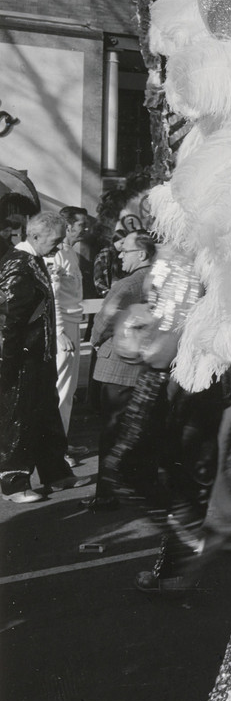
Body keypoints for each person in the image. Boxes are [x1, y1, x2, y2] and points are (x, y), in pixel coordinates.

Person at [0, 211, 78, 502]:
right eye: (55, 241)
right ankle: (14, 482)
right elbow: (9, 320)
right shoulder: (19, 265)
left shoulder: (31, 261)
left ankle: (54, 471)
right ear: (35, 237)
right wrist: (8, 365)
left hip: (37, 355)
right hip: (21, 358)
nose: (59, 247)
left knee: (45, 413)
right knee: (19, 418)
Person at [84, 229, 158, 510]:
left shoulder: (128, 284)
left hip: (118, 367)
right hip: (147, 365)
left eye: (125, 250)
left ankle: (107, 494)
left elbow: (103, 321)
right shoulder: (161, 279)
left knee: (112, 432)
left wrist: (95, 341)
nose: (119, 254)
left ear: (141, 254)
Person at [49, 205, 87, 439]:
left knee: (68, 389)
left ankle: (61, 443)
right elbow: (53, 295)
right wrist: (60, 331)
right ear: (69, 226)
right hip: (63, 329)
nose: (85, 229)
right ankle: (57, 451)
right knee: (61, 389)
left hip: (73, 323)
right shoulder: (58, 253)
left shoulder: (71, 252)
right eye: (82, 224)